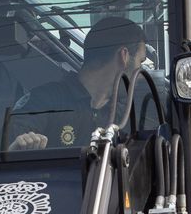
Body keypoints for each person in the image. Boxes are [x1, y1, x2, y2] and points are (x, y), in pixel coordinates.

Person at [8, 16, 147, 151]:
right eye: (140, 62)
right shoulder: (44, 100)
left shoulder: (126, 117)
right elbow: (9, 153)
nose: (140, 75)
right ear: (124, 56)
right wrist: (22, 146)